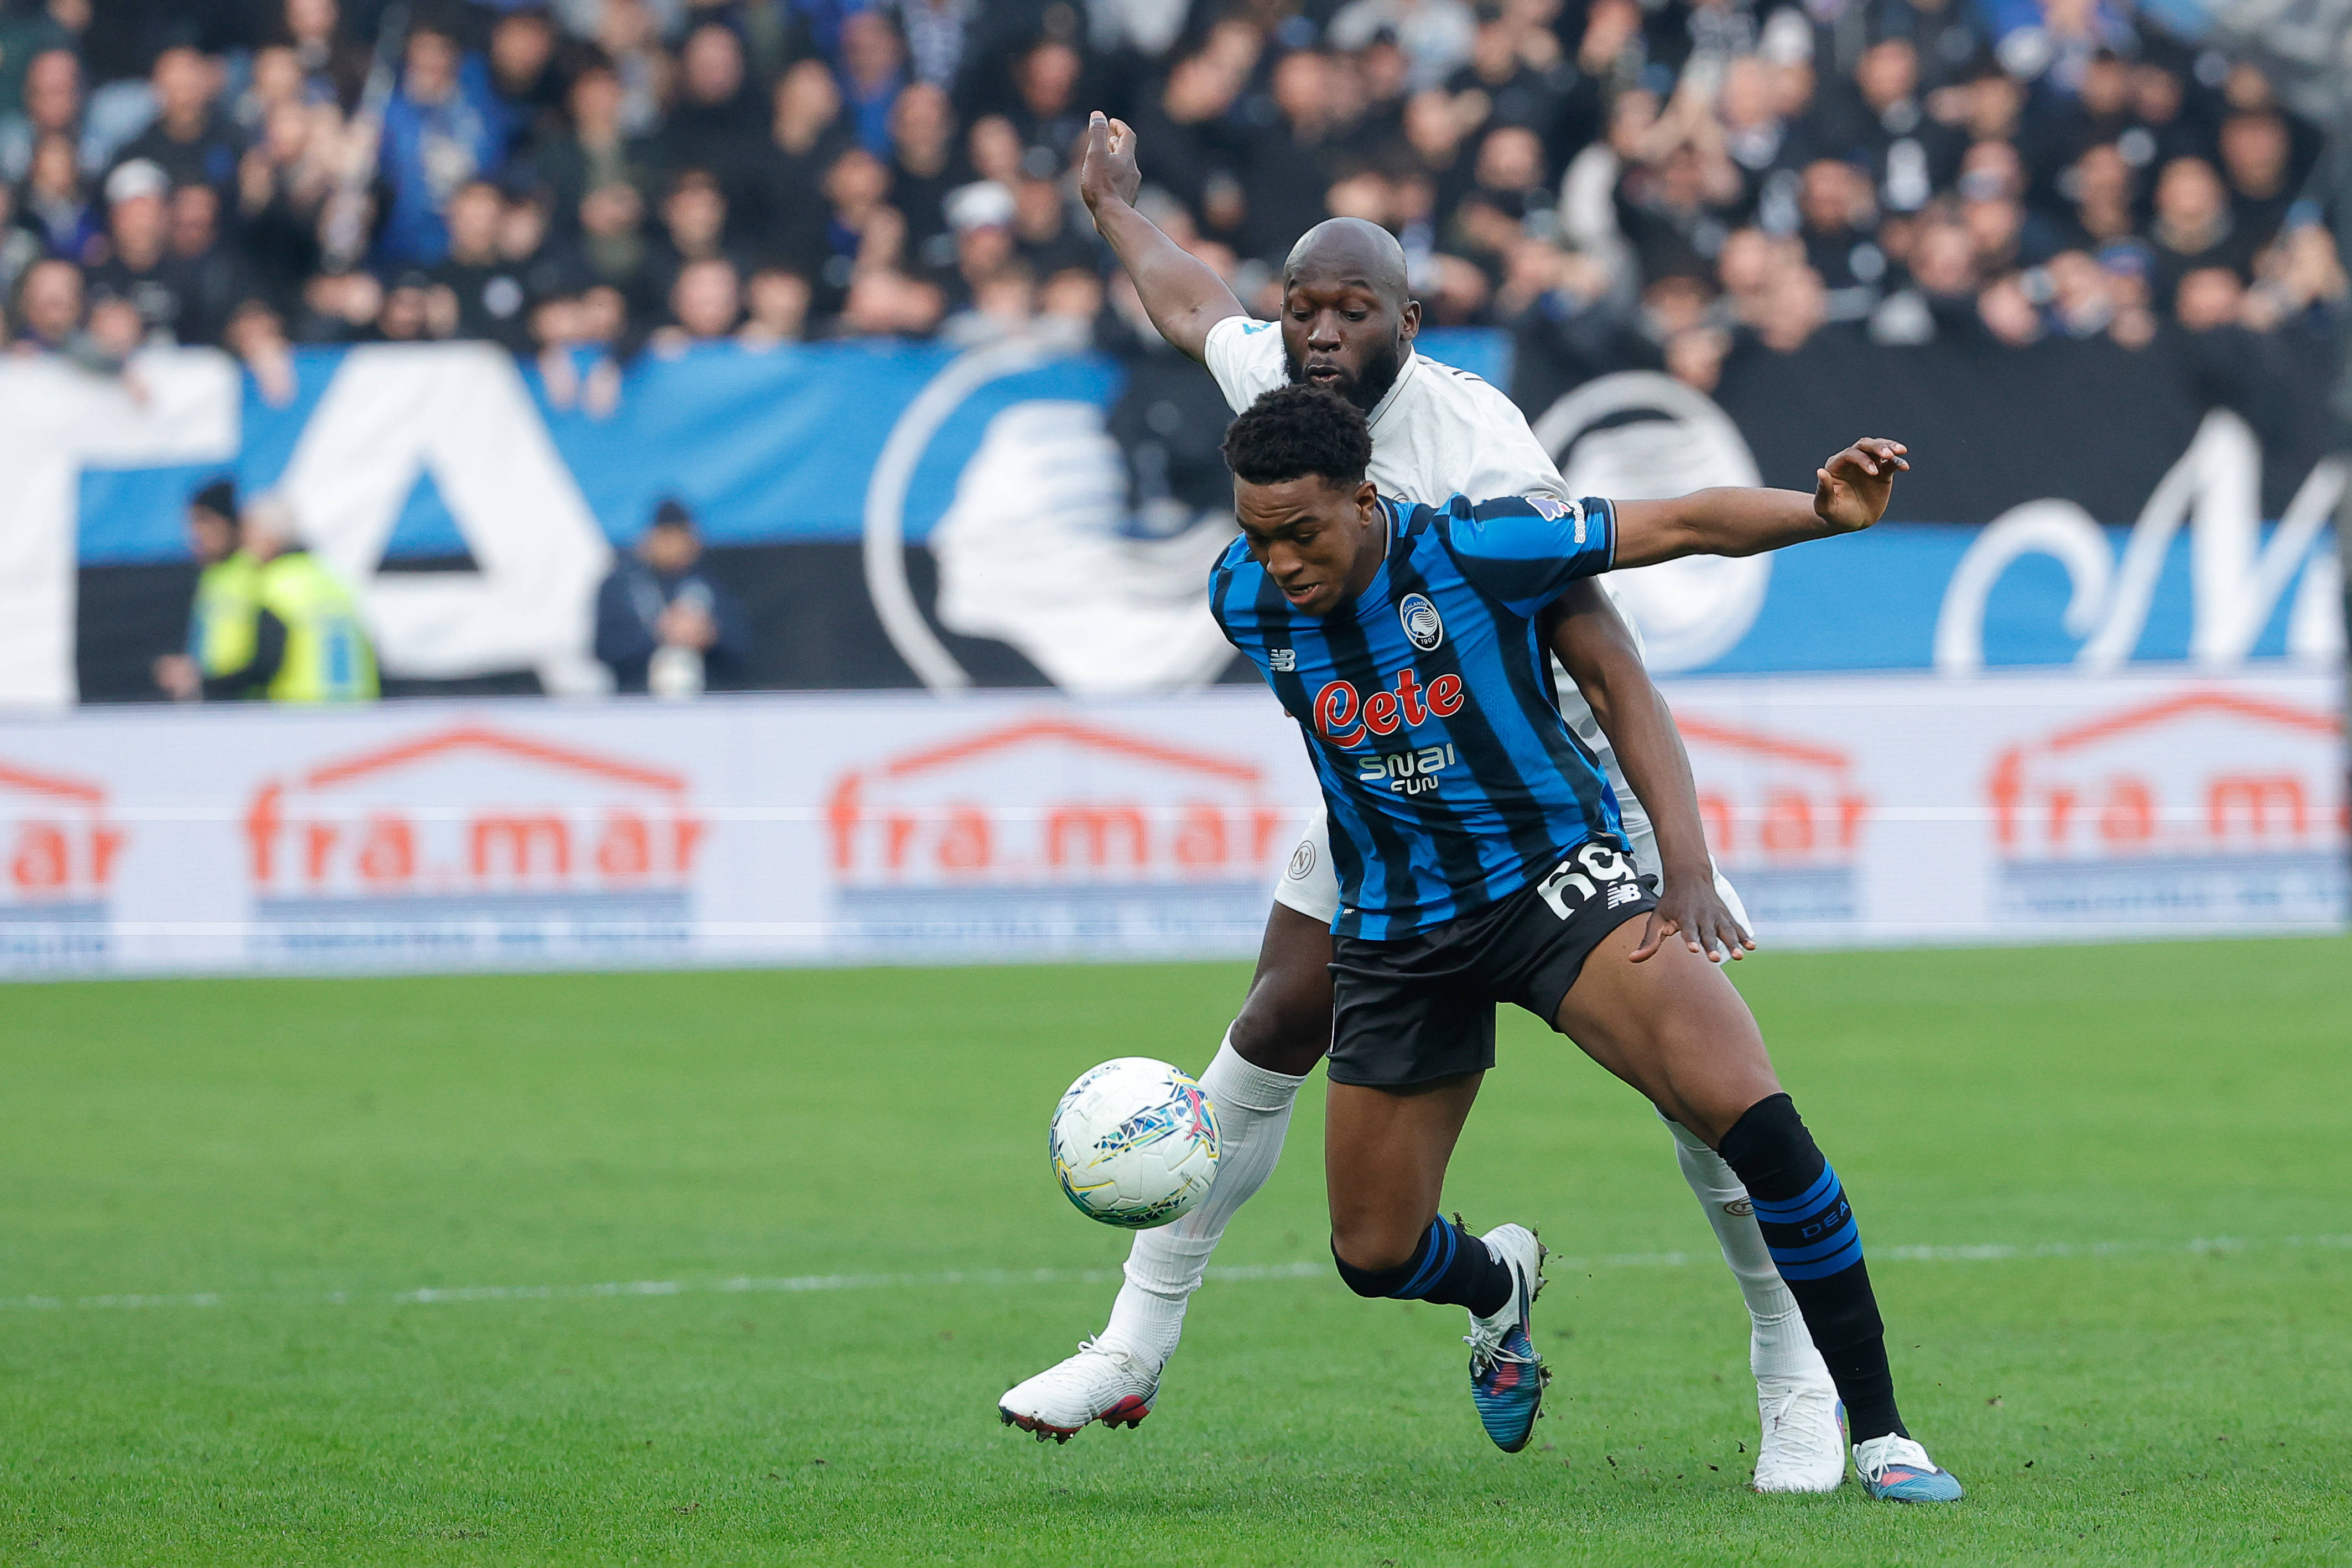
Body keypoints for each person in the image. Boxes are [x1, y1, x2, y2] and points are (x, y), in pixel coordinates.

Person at [998, 112, 1848, 1495]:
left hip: (1547, 795)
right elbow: (1185, 302)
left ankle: (1790, 1373)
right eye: (1300, 308)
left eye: (1347, 310)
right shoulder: (1277, 394)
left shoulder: (1479, 447)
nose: (1314, 333)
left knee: (1702, 1099)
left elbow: (1604, 656)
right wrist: (1111, 206)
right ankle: (1131, 1346)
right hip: (1391, 798)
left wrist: (1675, 851)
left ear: (1410, 316)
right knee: (1274, 1020)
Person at [1210, 384, 1960, 1503]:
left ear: (1364, 499)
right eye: (1256, 536)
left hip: (1551, 885)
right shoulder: (1242, 599)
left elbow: (1687, 522)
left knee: (1748, 1111)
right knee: (1372, 1252)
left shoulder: (1480, 547)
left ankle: (1884, 1432)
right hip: (1396, 929)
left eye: (1300, 533)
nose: (1277, 561)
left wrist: (1820, 514)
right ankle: (1496, 1280)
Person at [156, 494, 378, 702]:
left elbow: (267, 663)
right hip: (355, 708)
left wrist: (206, 685)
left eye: (250, 533)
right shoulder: (329, 579)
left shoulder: (274, 584)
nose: (244, 543)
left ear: (270, 537)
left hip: (301, 711)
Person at [592, 498, 751, 696]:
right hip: (638, 698)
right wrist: (660, 633)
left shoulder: (709, 582)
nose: (675, 545)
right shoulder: (622, 584)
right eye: (668, 537)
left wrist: (709, 635)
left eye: (682, 536)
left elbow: (740, 644)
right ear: (650, 539)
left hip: (706, 699)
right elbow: (605, 648)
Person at [152, 477, 258, 700]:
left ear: (230, 523)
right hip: (217, 702)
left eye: (205, 521)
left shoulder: (257, 572)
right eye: (193, 523)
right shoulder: (211, 577)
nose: (197, 532)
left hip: (253, 706)